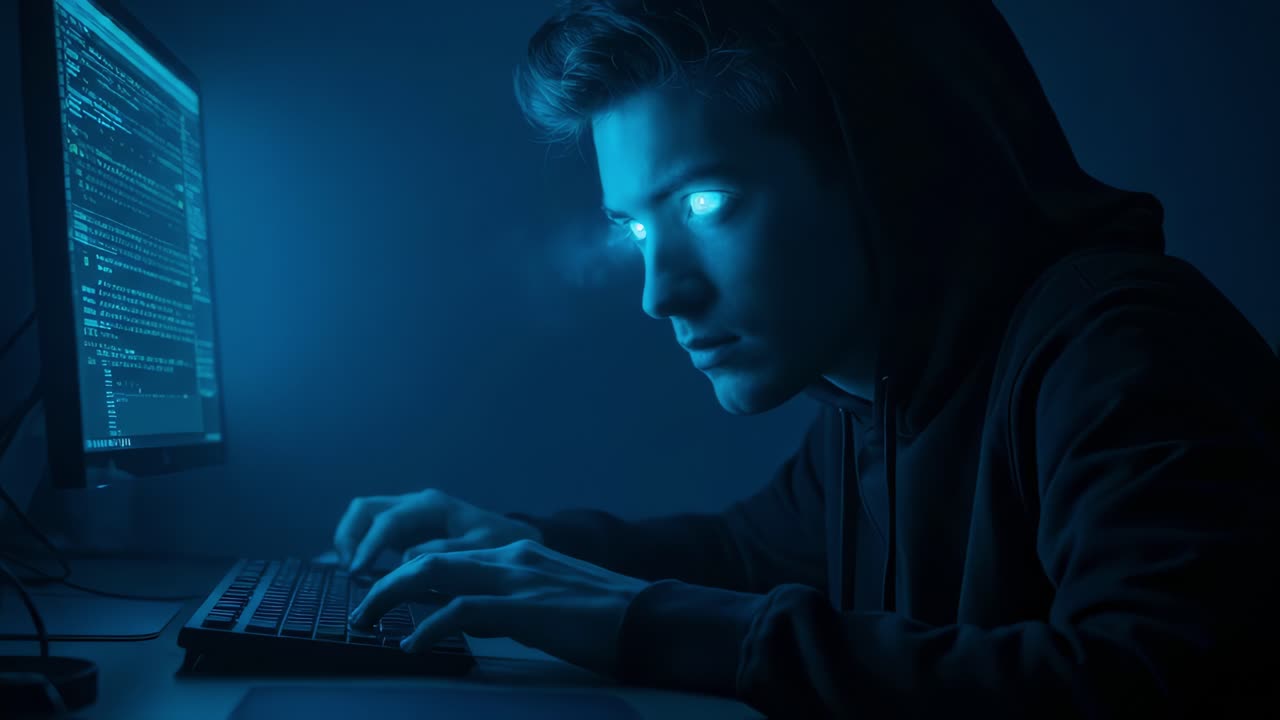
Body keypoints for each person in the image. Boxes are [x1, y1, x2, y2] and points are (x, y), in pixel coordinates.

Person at [336, 0, 1280, 716]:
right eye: (634, 226)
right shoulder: (876, 395)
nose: (661, 292)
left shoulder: (1125, 347)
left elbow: (1143, 681)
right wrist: (513, 547)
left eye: (705, 203)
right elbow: (745, 555)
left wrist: (642, 620)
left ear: (884, 167)